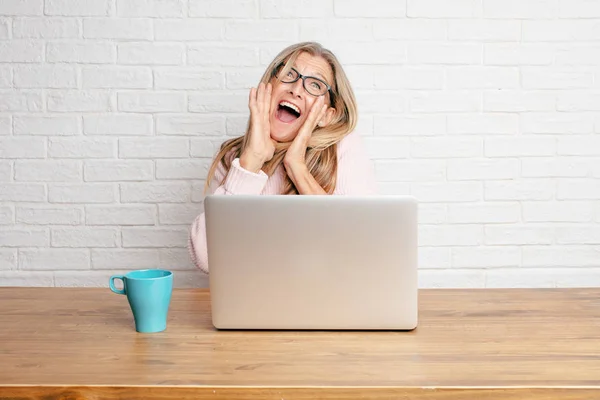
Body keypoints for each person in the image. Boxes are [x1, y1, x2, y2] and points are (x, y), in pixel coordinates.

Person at [188, 41, 377, 273]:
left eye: (315, 85)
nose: (296, 89)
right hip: (254, 304)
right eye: (289, 74)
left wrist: (297, 168)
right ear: (268, 87)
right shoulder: (234, 159)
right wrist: (252, 162)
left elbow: (361, 251)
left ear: (327, 115)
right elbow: (207, 259)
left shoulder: (344, 148)